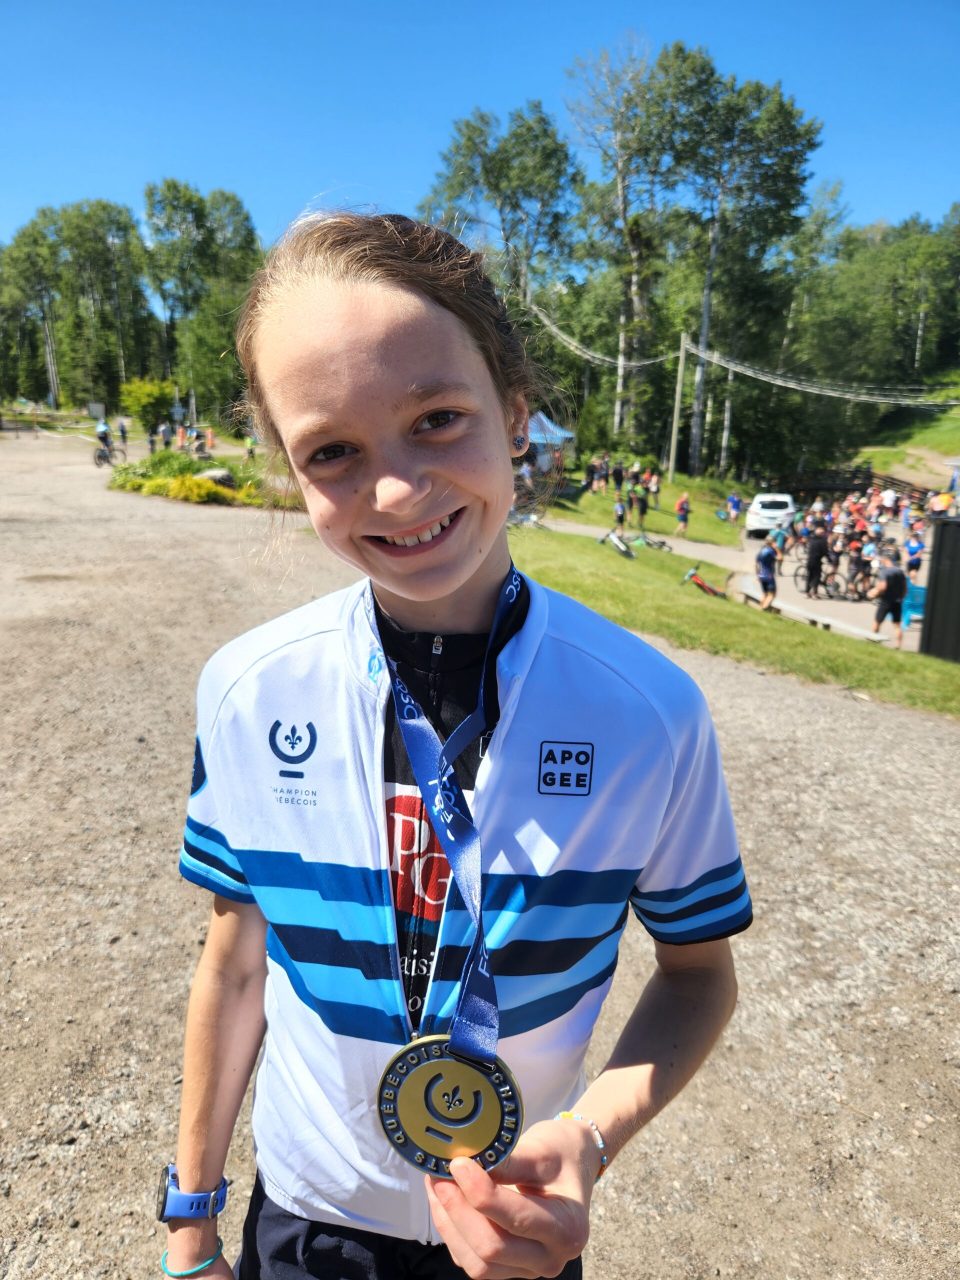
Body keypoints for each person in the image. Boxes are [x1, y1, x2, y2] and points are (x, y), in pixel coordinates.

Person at [162, 213, 751, 1280]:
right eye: (332, 451)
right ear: (289, 468)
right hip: (304, 1220)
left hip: (520, 1221)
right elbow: (237, 961)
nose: (395, 491)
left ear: (515, 410)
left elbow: (699, 972)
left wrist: (590, 1135)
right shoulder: (247, 691)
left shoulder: (650, 708)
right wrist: (190, 1221)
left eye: (437, 418)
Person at [870, 549, 907, 649]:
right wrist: (901, 597)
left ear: (886, 559)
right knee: (897, 625)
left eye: (882, 558)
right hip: (897, 601)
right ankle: (898, 646)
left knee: (877, 622)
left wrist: (873, 594)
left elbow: (882, 587)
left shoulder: (884, 571)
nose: (881, 560)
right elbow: (904, 588)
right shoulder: (900, 571)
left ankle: (873, 641)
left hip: (886, 601)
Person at [755, 534, 780, 611]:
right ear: (772, 542)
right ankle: (763, 609)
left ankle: (759, 608)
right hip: (769, 575)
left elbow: (756, 564)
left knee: (765, 593)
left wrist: (758, 575)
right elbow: (780, 558)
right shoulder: (771, 551)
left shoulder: (761, 551)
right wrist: (777, 549)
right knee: (771, 594)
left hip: (761, 574)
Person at [804, 522, 828, 599]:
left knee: (810, 576)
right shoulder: (822, 541)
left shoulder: (811, 537)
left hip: (810, 560)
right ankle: (814, 593)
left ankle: (807, 592)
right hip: (816, 561)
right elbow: (825, 552)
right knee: (816, 577)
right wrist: (830, 560)